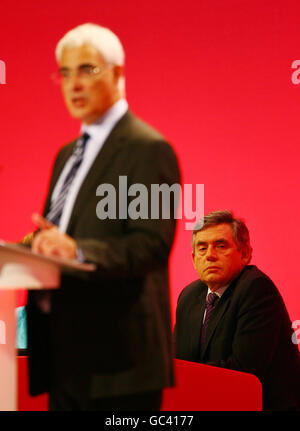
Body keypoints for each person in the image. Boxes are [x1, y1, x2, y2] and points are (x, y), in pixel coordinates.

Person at [25, 23, 180, 411]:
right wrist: (37, 246)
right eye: (65, 72)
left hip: (118, 366)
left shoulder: (149, 149)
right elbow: (63, 234)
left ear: (117, 73)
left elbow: (151, 245)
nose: (74, 84)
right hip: (64, 358)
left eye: (87, 70)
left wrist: (76, 251)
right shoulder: (66, 154)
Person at [174, 210, 300, 411]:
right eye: (202, 248)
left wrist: (185, 379)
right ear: (193, 258)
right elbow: (180, 364)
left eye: (220, 246)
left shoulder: (256, 288)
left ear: (245, 254)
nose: (210, 255)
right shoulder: (188, 297)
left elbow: (242, 372)